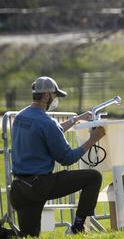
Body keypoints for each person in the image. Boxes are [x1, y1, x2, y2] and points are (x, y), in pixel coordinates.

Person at [10, 76, 106, 237]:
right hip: (39, 185)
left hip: (19, 188)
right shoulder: (47, 122)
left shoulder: (21, 116)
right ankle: (78, 226)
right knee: (93, 177)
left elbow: (49, 132)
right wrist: (93, 139)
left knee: (27, 236)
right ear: (47, 95)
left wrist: (76, 119)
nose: (55, 100)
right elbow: (67, 158)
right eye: (55, 96)